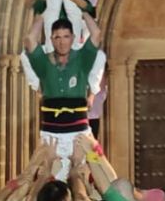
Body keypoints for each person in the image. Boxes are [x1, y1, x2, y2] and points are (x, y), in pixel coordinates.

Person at [23, 14, 106, 181]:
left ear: (73, 38)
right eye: (57, 37)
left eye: (66, 36)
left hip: (80, 133)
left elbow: (96, 34)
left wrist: (82, 12)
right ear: (52, 40)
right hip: (51, 135)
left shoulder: (82, 59)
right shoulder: (44, 62)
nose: (62, 42)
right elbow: (30, 40)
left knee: (90, 176)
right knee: (50, 182)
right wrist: (44, 15)